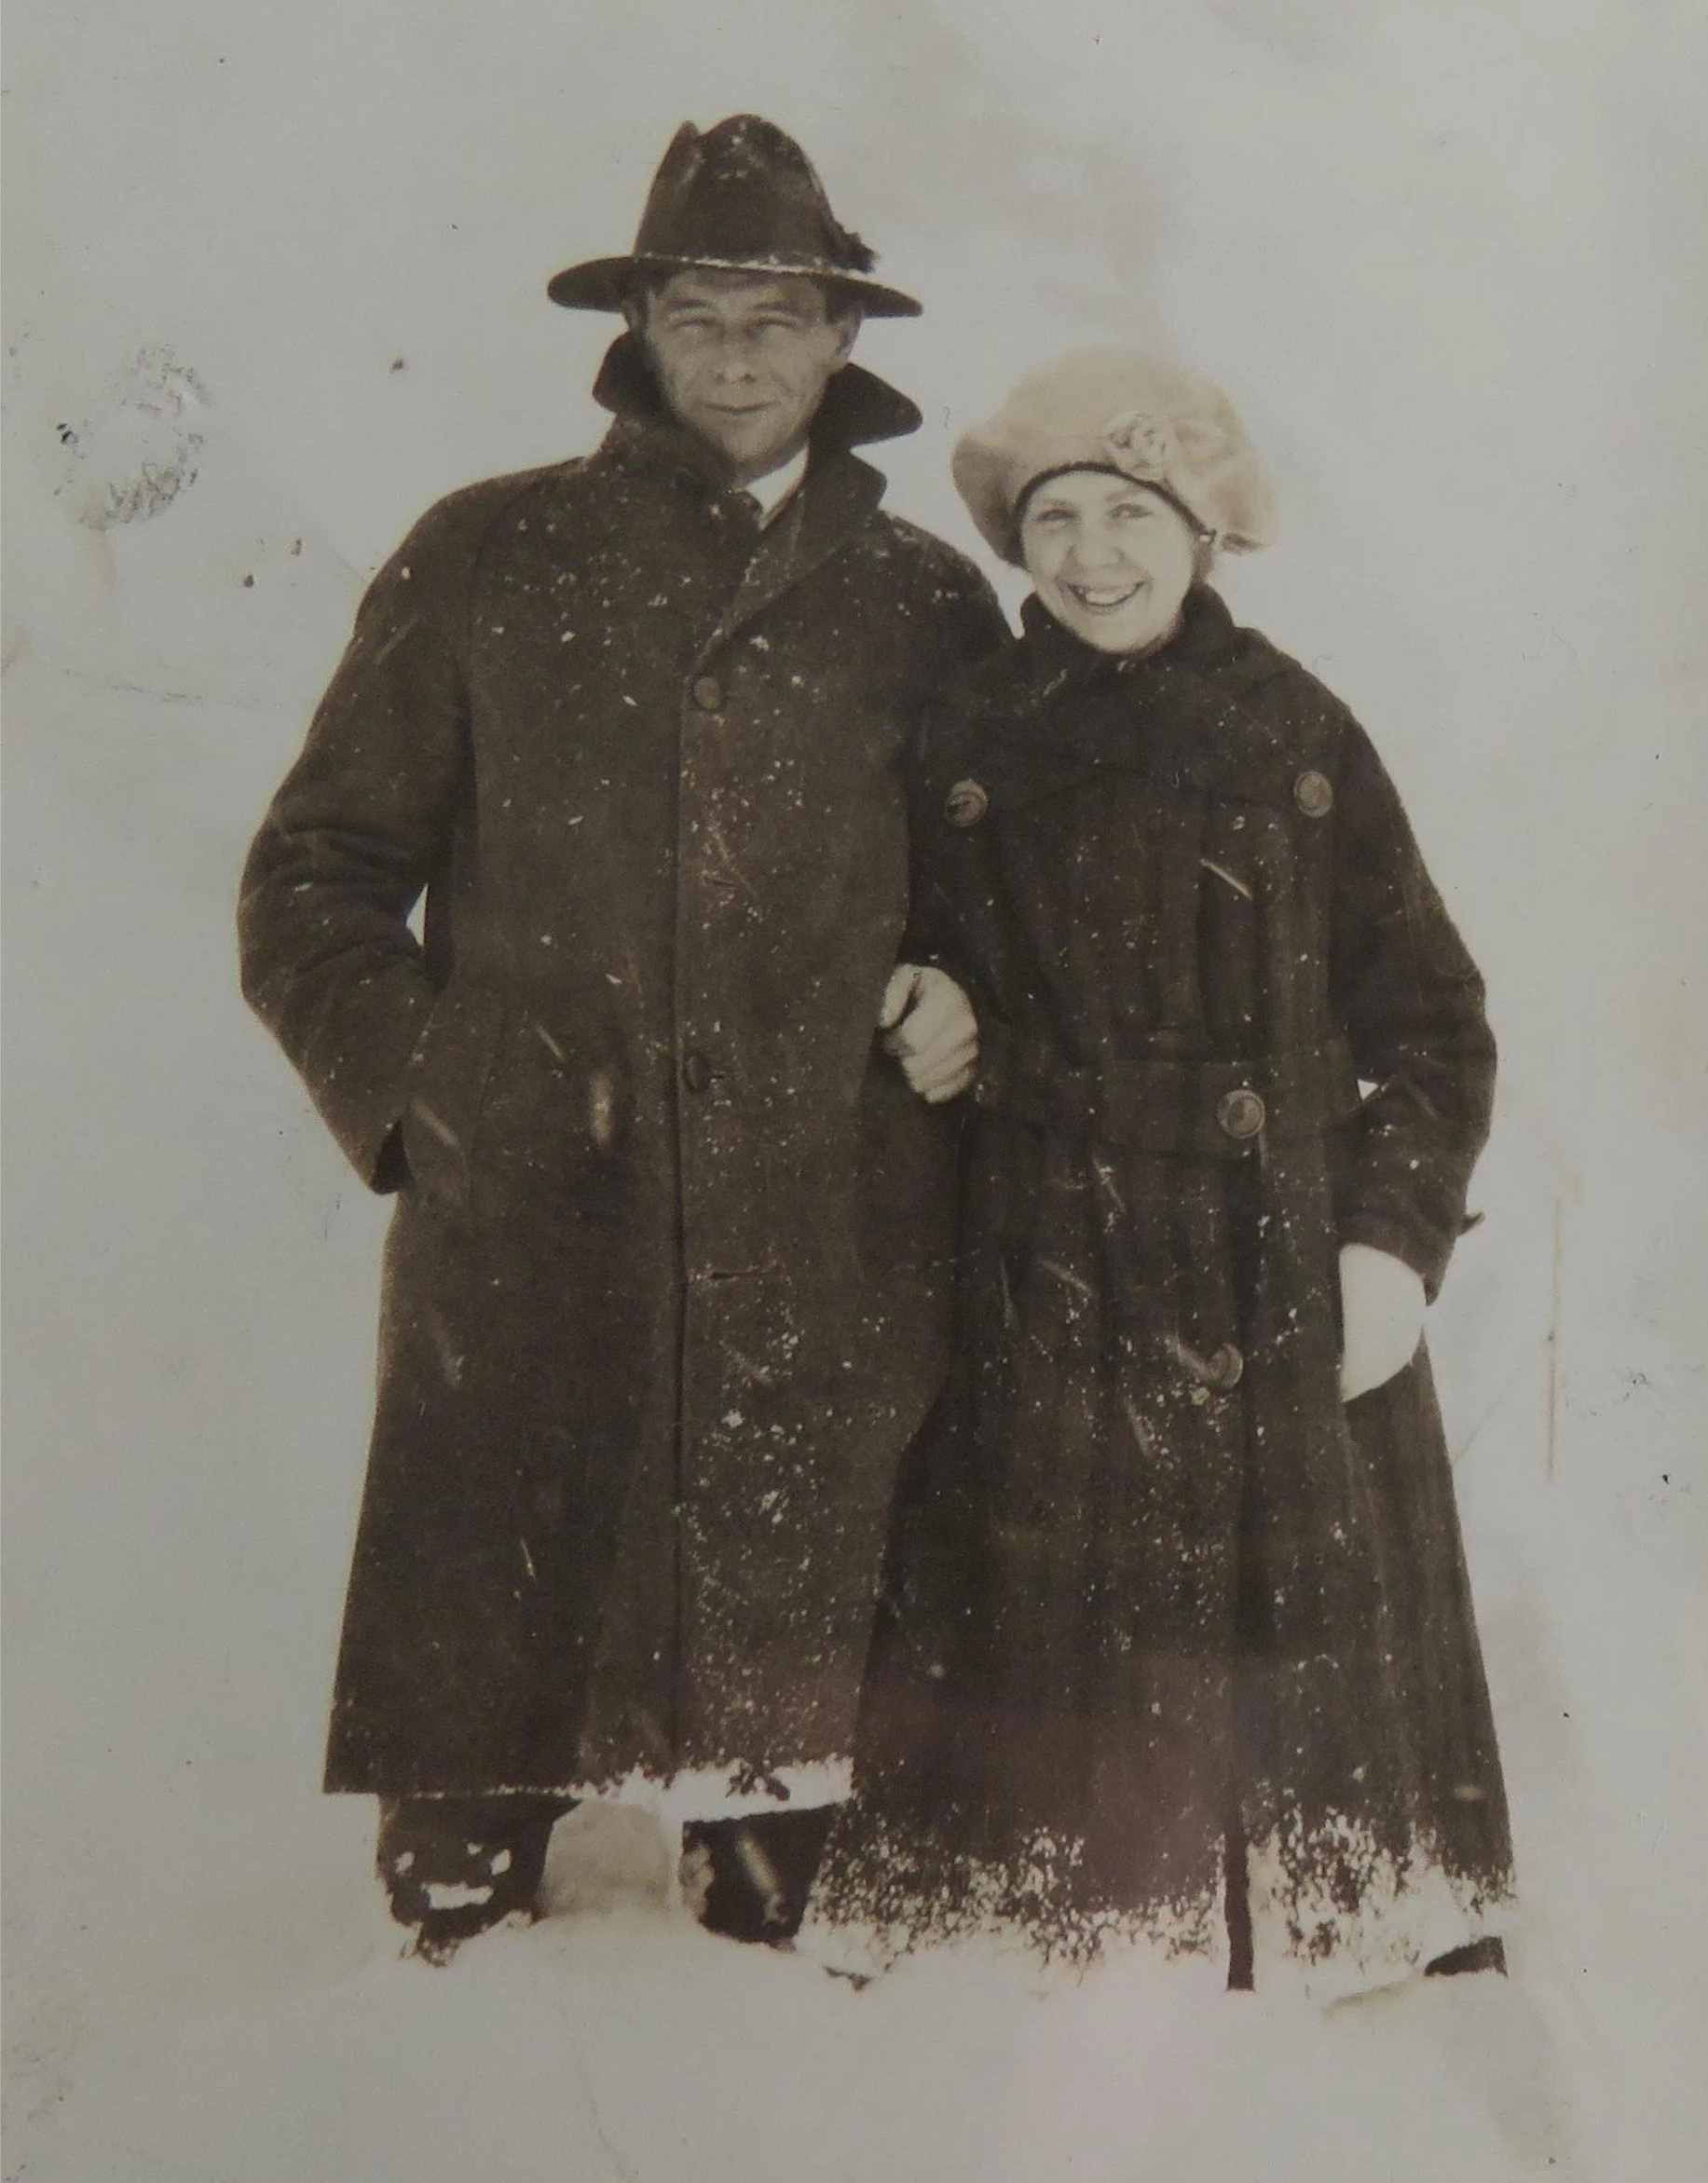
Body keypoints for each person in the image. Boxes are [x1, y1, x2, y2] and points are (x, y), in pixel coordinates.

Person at [238, 116, 1006, 1962]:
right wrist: (431, 1090)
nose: (737, 346)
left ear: (841, 339)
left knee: (798, 1526)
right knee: (509, 1493)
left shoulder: (921, 602)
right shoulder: (487, 555)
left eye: (777, 308)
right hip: (539, 1173)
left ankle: (773, 1820)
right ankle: (467, 1828)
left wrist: (960, 986)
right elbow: (315, 873)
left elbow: (1001, 886)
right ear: (638, 323)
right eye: (695, 302)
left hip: (821, 1187)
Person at [807, 350, 1515, 1999]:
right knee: (1035, 1735)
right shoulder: (963, 728)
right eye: (1055, 515)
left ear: (1207, 534)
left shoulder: (1295, 732)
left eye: (1134, 511)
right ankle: (1050, 1958)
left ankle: (1355, 1940)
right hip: (1039, 1257)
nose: (1092, 554)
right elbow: (859, 931)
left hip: (1275, 1270)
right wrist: (915, 992)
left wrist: (1390, 1249)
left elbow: (1434, 1019)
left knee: (1310, 1687)